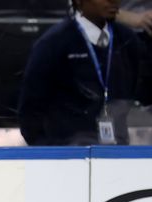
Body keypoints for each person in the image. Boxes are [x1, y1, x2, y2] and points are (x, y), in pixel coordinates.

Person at [18, 0, 142, 145]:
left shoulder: (128, 40)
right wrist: (53, 155)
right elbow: (30, 112)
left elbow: (136, 94)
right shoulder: (53, 43)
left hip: (119, 152)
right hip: (68, 155)